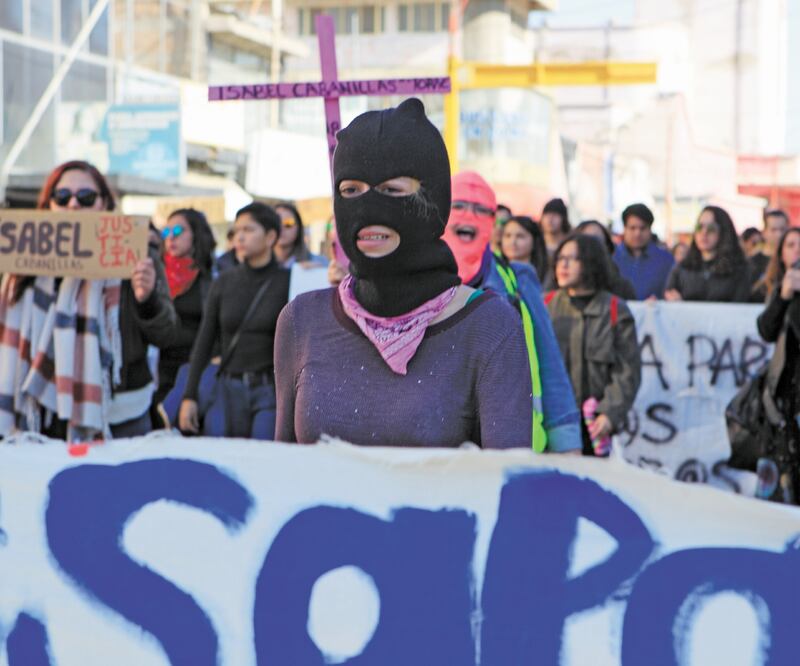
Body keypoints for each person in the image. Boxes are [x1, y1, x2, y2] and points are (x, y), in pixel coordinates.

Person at [274, 99, 534, 449]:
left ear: (433, 201)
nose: (366, 209)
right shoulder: (301, 321)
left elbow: (507, 488)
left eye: (391, 190)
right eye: (351, 190)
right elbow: (282, 474)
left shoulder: (490, 327)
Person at [0, 160, 177, 440]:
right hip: (42, 411)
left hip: (119, 414)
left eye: (86, 197)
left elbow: (167, 335)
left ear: (104, 203)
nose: (73, 204)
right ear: (49, 204)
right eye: (62, 197)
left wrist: (147, 299)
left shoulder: (137, 255)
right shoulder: (24, 262)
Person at [444, 170, 581, 453]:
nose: (469, 216)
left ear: (493, 222)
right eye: (458, 206)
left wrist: (567, 444)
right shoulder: (413, 281)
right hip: (439, 455)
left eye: (481, 209)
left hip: (509, 451)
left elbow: (550, 364)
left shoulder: (518, 281)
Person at [179, 202, 290, 439]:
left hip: (269, 391)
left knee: (262, 465)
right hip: (227, 389)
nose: (240, 236)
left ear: (271, 236)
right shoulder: (224, 282)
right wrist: (189, 395)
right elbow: (204, 341)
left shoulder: (290, 282)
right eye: (237, 230)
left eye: (248, 230)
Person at [546, 235, 642, 456]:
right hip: (554, 426)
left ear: (590, 263)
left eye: (572, 259)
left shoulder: (616, 309)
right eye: (560, 258)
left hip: (596, 427)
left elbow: (628, 371)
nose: (563, 264)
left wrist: (609, 413)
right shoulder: (545, 305)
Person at [152, 208, 217, 419]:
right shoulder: (152, 272)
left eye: (179, 230)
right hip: (155, 367)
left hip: (193, 368)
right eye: (166, 231)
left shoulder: (212, 276)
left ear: (196, 234)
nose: (171, 237)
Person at [754, 227, 800, 503]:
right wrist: (783, 297)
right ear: (781, 254)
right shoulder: (780, 287)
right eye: (790, 245)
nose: (796, 250)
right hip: (783, 397)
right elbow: (766, 331)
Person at [665, 205, 751, 303]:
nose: (704, 232)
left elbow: (740, 308)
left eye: (711, 228)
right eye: (699, 227)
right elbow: (668, 296)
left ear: (724, 231)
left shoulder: (739, 269)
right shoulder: (682, 268)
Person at [612, 203, 674, 300]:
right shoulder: (612, 258)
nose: (637, 233)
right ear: (624, 229)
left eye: (642, 228)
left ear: (650, 229)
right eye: (632, 228)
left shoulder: (666, 260)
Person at [575, 220, 636, 300]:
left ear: (607, 247)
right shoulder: (562, 284)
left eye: (597, 240)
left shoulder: (621, 287)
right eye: (585, 241)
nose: (590, 246)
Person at [750, 209, 790, 302]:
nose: (779, 234)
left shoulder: (794, 261)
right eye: (773, 230)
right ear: (764, 232)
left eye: (782, 229)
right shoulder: (751, 263)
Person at [274, 202, 328, 268]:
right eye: (276, 222)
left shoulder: (319, 263)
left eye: (288, 223)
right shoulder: (258, 264)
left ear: (299, 227)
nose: (282, 228)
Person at [501, 215, 548, 283]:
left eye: (520, 236)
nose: (512, 242)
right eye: (508, 236)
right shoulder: (492, 271)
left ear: (534, 241)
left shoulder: (549, 276)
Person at [540, 198, 570, 273]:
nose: (550, 219)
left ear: (564, 219)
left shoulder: (570, 245)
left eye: (555, 215)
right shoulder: (535, 243)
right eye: (547, 215)